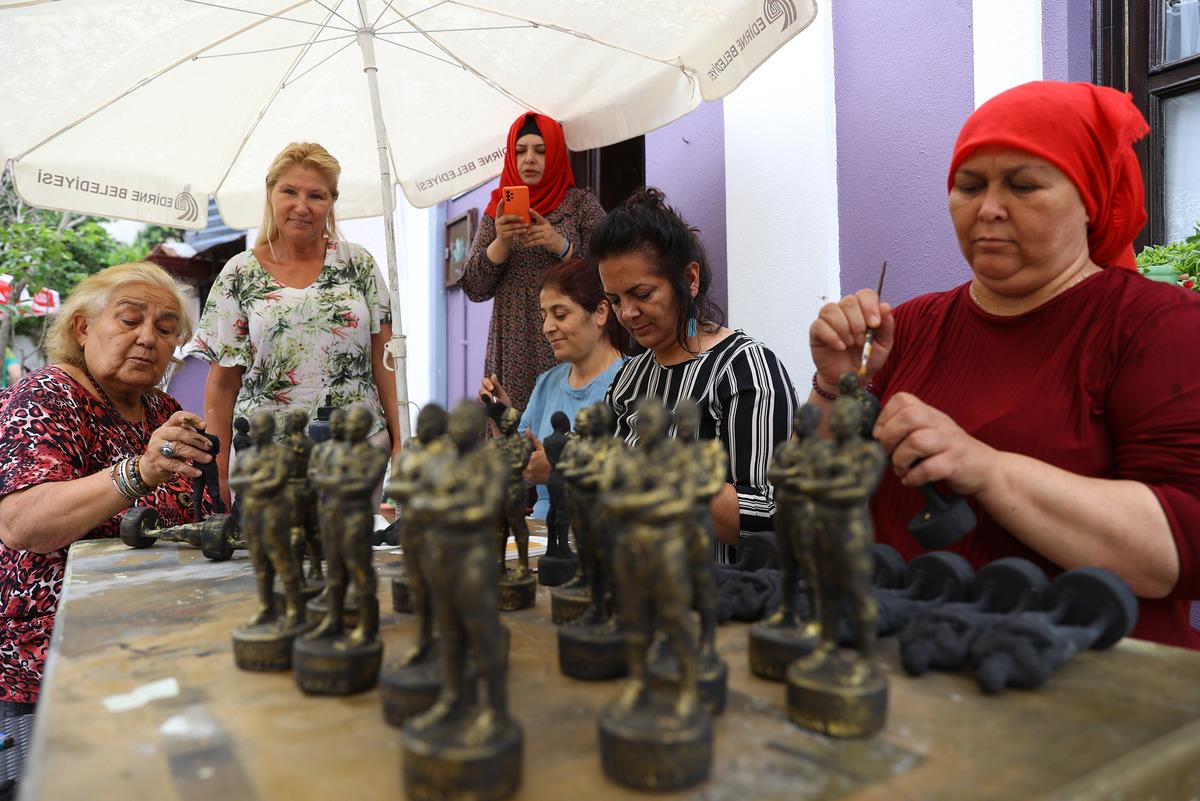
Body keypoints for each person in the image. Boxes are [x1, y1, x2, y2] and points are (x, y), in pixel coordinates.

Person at [808, 81, 1200, 649]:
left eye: (1023, 185)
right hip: (910, 663)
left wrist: (987, 469)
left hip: (1085, 687)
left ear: (1089, 199)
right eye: (969, 186)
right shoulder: (910, 327)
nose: (988, 209)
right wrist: (835, 387)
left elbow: (1182, 547)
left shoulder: (1158, 326)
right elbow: (822, 500)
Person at [0, 262, 212, 785]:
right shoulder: (47, 397)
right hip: (53, 663)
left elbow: (191, 513)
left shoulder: (160, 406)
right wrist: (138, 472)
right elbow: (23, 524)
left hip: (147, 652)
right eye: (130, 320)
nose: (148, 338)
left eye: (165, 330)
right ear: (83, 328)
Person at [593, 187, 799, 563]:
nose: (627, 314)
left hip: (720, 599)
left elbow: (769, 515)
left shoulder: (744, 370)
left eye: (642, 293)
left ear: (689, 279)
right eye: (616, 300)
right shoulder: (631, 377)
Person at [194, 141, 400, 508]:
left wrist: (402, 444)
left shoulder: (358, 264)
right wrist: (219, 475)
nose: (302, 206)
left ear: (332, 201)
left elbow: (386, 364)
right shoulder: (240, 274)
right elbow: (222, 385)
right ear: (271, 193)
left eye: (316, 196)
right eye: (290, 191)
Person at [460, 112, 608, 413]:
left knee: (568, 429)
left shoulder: (580, 204)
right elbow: (474, 288)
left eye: (540, 151)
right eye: (520, 151)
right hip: (513, 340)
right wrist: (500, 242)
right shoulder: (497, 210)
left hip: (571, 336)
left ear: (555, 155)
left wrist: (560, 245)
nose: (529, 159)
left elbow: (609, 271)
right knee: (514, 435)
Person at [478, 258, 628, 518]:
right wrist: (502, 420)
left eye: (560, 315)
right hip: (542, 535)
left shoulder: (633, 380)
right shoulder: (548, 383)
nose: (547, 327)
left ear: (601, 312)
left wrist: (562, 470)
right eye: (543, 316)